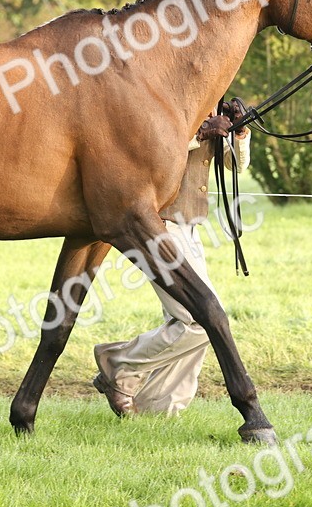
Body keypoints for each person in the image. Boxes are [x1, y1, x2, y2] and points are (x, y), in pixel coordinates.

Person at [91, 103, 249, 417]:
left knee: (194, 322)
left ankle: (160, 408)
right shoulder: (174, 103)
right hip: (160, 225)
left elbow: (237, 165)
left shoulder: (214, 104)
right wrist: (203, 130)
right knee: (202, 322)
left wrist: (240, 132)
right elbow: (154, 148)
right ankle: (118, 364)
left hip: (191, 225)